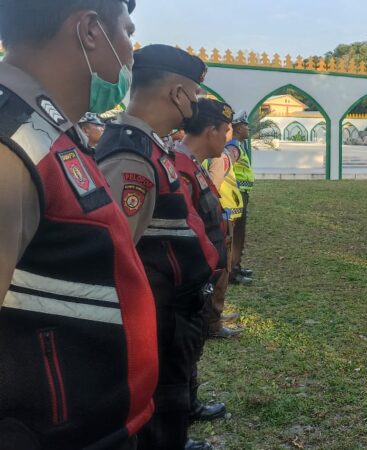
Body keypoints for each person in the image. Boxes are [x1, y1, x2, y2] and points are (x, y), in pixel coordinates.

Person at [0, 1, 159, 449]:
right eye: (127, 32)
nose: (131, 53)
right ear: (91, 30)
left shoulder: (52, 130)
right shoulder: (12, 140)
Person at [94, 44, 219, 450]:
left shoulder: (153, 147)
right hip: (157, 317)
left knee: (172, 403)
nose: (196, 104)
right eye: (194, 95)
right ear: (176, 94)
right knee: (160, 411)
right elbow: (114, 255)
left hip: (172, 313)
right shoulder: (132, 155)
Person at [174, 99, 236, 441]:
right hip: (184, 282)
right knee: (177, 355)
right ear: (211, 130)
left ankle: (189, 404)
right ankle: (176, 426)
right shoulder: (180, 166)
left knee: (190, 349)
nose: (227, 139)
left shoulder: (193, 164)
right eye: (225, 131)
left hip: (200, 278)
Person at [205, 136, 246, 338]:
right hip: (222, 218)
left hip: (225, 216)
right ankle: (213, 321)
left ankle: (216, 313)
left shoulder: (222, 155)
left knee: (224, 268)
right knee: (222, 269)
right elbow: (213, 187)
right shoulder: (220, 158)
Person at [228, 111, 256, 284]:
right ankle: (232, 272)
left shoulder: (239, 146)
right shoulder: (233, 148)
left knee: (240, 234)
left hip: (241, 194)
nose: (248, 128)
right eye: (245, 126)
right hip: (235, 195)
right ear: (238, 129)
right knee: (235, 235)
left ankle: (236, 266)